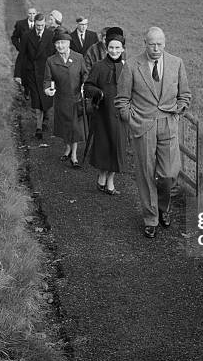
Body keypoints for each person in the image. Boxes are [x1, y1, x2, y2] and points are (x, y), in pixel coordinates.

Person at [115, 26, 191, 238]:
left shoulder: (176, 63)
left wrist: (177, 113)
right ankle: (151, 219)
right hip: (143, 126)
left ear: (164, 44)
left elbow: (185, 95)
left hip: (168, 124)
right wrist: (131, 119)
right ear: (145, 44)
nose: (156, 48)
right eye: (152, 44)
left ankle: (164, 208)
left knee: (168, 174)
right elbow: (121, 99)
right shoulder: (131, 65)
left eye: (159, 44)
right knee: (146, 174)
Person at [84, 27, 127, 196]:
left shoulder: (127, 68)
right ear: (106, 48)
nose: (114, 51)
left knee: (117, 148)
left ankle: (110, 182)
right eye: (111, 47)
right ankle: (101, 177)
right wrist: (98, 92)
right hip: (103, 116)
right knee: (104, 148)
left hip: (121, 118)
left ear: (123, 48)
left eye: (117, 48)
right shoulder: (98, 66)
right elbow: (87, 86)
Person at [44, 28, 87, 168]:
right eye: (57, 43)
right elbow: (47, 79)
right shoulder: (51, 61)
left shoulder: (79, 58)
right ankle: (67, 148)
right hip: (61, 99)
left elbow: (85, 75)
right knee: (64, 127)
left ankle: (74, 155)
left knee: (74, 128)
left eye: (63, 42)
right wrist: (47, 89)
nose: (60, 46)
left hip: (75, 99)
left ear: (69, 43)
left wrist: (85, 85)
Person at [19, 13, 55, 140]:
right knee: (36, 100)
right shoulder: (27, 35)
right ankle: (38, 128)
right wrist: (18, 74)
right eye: (37, 25)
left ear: (45, 23)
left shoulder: (50, 35)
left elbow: (54, 55)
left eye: (42, 25)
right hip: (32, 73)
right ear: (34, 23)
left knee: (46, 99)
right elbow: (21, 55)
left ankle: (45, 118)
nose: (39, 28)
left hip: (46, 73)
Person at [12, 7, 37, 100]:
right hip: (24, 54)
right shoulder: (20, 24)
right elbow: (14, 37)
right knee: (25, 72)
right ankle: (26, 90)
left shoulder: (39, 25)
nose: (32, 16)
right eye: (30, 13)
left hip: (35, 54)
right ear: (27, 14)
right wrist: (20, 48)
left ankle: (33, 91)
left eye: (34, 14)